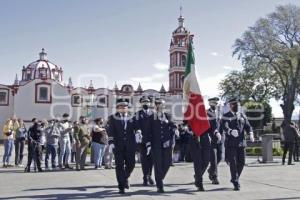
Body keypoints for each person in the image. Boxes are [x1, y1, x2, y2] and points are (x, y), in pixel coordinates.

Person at [219, 98, 254, 191]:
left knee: (242, 162)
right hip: (231, 144)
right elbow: (224, 126)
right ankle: (235, 182)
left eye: (238, 105)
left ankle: (235, 177)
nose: (237, 107)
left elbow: (248, 126)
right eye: (235, 105)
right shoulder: (226, 116)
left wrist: (250, 133)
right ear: (230, 106)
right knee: (233, 163)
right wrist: (230, 131)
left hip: (241, 143)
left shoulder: (242, 115)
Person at [107, 98, 140, 194]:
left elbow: (137, 127)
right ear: (117, 108)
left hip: (130, 145)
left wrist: (138, 132)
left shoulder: (132, 117)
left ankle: (125, 178)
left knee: (131, 164)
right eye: (121, 106)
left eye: (125, 106)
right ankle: (121, 186)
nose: (123, 108)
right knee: (119, 166)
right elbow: (111, 131)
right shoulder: (112, 118)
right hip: (118, 146)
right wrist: (111, 142)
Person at [147, 98, 177, 193]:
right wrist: (148, 145)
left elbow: (173, 125)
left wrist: (173, 128)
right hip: (156, 145)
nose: (160, 106)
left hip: (167, 144)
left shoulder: (168, 116)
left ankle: (159, 178)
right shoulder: (151, 117)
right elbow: (148, 132)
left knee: (167, 163)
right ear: (156, 106)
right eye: (158, 105)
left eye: (162, 105)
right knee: (158, 164)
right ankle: (160, 185)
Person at [134, 96, 155, 186]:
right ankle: (145, 177)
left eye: (147, 101)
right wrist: (137, 130)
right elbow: (136, 125)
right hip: (142, 141)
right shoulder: (137, 114)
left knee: (151, 160)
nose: (145, 103)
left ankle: (149, 176)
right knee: (144, 160)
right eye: (143, 101)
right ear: (141, 103)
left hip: (152, 141)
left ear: (150, 103)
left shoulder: (153, 114)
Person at [188, 120, 212, 191]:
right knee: (198, 162)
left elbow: (211, 126)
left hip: (205, 138)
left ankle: (197, 176)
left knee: (206, 161)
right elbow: (186, 122)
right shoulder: (192, 113)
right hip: (194, 138)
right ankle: (199, 183)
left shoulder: (207, 114)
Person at [207, 97, 223, 185]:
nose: (215, 105)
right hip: (210, 139)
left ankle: (210, 170)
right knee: (213, 159)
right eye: (213, 103)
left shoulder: (219, 113)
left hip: (219, 139)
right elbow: (207, 126)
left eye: (216, 103)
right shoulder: (206, 113)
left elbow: (221, 125)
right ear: (210, 104)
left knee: (219, 157)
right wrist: (214, 132)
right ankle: (214, 177)